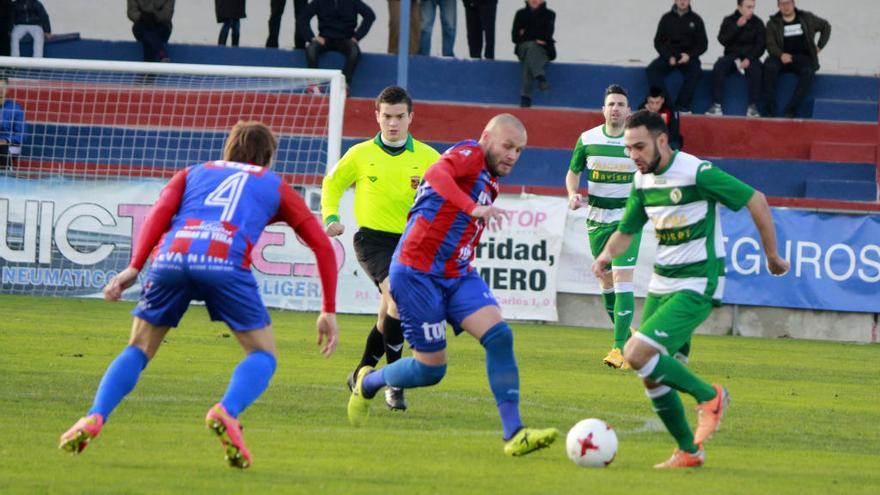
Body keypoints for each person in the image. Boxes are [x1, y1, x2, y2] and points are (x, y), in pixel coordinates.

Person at [58, 121, 340, 469]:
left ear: (228, 149)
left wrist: (134, 266)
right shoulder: (274, 184)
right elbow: (323, 247)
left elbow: (159, 214)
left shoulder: (193, 172)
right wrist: (328, 309)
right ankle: (227, 411)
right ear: (268, 157)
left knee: (139, 348)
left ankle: (95, 416)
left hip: (172, 257)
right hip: (224, 263)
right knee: (262, 354)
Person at [347, 114, 560, 457]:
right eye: (507, 146)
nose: (512, 155)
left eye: (519, 150)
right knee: (432, 370)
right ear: (486, 137)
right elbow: (435, 174)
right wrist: (472, 207)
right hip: (416, 273)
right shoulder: (470, 154)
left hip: (455, 273)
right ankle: (368, 382)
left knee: (500, 336)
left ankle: (514, 434)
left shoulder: (489, 180)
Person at [592, 110, 790, 468]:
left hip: (697, 283)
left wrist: (772, 256)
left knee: (635, 352)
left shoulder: (696, 172)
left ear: (662, 141)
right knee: (650, 374)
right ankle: (689, 450)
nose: (633, 155)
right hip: (661, 284)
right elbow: (626, 230)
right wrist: (606, 255)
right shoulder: (641, 182)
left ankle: (710, 396)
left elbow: (755, 199)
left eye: (639, 146)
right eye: (628, 149)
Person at [321, 86, 440, 411]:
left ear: (410, 117)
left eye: (399, 116)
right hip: (372, 241)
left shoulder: (430, 158)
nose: (392, 123)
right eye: (386, 116)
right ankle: (395, 382)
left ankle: (360, 372)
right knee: (398, 299)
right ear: (377, 116)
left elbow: (450, 195)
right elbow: (332, 183)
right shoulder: (360, 154)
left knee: (387, 313)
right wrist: (330, 215)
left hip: (412, 243)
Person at [565, 85, 640, 370]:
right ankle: (629, 337)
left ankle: (619, 349)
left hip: (627, 222)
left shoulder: (636, 141)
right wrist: (573, 193)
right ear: (603, 109)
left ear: (629, 110)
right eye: (611, 104)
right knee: (606, 283)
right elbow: (573, 172)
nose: (616, 108)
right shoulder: (588, 139)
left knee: (622, 280)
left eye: (621, 104)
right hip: (597, 221)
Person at [763, 0, 830, 118]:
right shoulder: (772, 23)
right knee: (769, 67)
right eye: (782, 3)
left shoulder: (806, 18)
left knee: (809, 72)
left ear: (793, 4)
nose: (786, 6)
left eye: (788, 2)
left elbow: (826, 26)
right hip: (780, 57)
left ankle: (791, 108)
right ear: (778, 6)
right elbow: (770, 44)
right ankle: (770, 108)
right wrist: (781, 54)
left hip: (801, 57)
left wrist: (819, 46)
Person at [646, 0, 708, 113]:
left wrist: (689, 55)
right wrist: (668, 56)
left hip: (688, 57)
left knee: (695, 72)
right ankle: (666, 106)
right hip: (669, 56)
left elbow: (703, 44)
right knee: (652, 69)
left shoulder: (696, 19)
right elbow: (658, 41)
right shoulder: (666, 18)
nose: (682, 2)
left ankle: (682, 106)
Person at [706, 0, 765, 118]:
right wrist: (736, 26)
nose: (751, 10)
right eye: (748, 7)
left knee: (757, 70)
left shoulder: (758, 23)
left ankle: (752, 107)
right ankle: (716, 105)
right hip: (732, 56)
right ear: (739, 7)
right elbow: (722, 39)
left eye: (753, 7)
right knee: (719, 66)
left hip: (750, 57)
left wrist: (749, 58)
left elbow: (761, 45)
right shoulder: (729, 20)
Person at [298, 0, 376, 88]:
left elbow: (370, 15)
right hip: (325, 39)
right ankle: (313, 85)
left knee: (354, 51)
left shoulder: (353, 1)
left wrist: (357, 37)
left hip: (345, 40)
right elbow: (303, 17)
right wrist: (311, 37)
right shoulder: (319, 1)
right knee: (311, 48)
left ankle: (344, 85)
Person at [512, 0, 556, 108]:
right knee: (531, 47)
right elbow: (515, 37)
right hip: (523, 48)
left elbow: (546, 35)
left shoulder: (549, 14)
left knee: (530, 54)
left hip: (543, 51)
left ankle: (526, 97)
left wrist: (525, 33)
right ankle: (540, 76)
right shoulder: (520, 14)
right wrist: (536, 38)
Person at [641, 86, 684, 150]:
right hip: (649, 139)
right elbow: (641, 131)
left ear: (662, 100)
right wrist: (649, 114)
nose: (654, 106)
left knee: (672, 146)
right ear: (647, 101)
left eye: (657, 102)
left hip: (669, 139)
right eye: (651, 103)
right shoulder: (642, 109)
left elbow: (673, 132)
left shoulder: (671, 109)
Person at [0, 74, 26, 170]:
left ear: (8, 89)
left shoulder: (15, 107)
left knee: (3, 149)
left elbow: (22, 134)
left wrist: (7, 140)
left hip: (8, 144)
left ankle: (5, 173)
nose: (0, 90)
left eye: (3, 87)